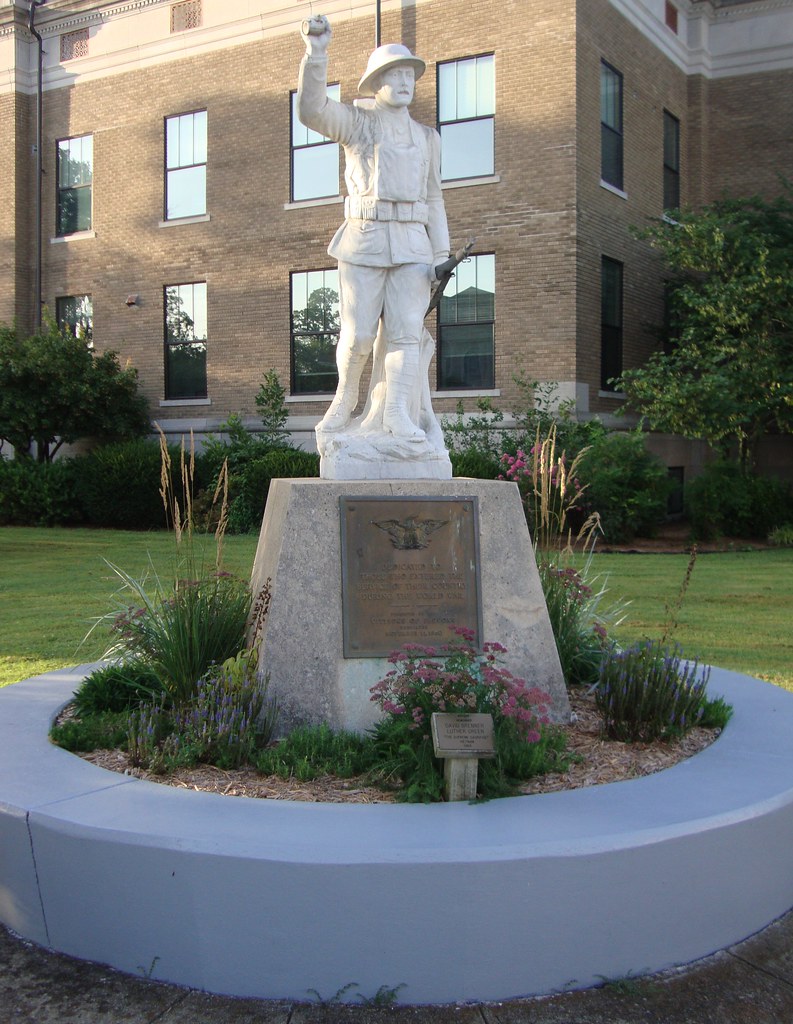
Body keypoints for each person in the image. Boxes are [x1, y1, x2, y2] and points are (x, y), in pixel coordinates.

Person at [297, 16, 450, 443]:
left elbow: (435, 198)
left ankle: (397, 412)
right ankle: (344, 400)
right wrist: (317, 52)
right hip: (364, 237)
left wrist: (441, 254)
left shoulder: (427, 138)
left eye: (409, 74)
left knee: (406, 332)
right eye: (394, 75)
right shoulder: (357, 122)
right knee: (360, 333)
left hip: (413, 245)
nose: (404, 81)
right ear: (375, 83)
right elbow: (311, 110)